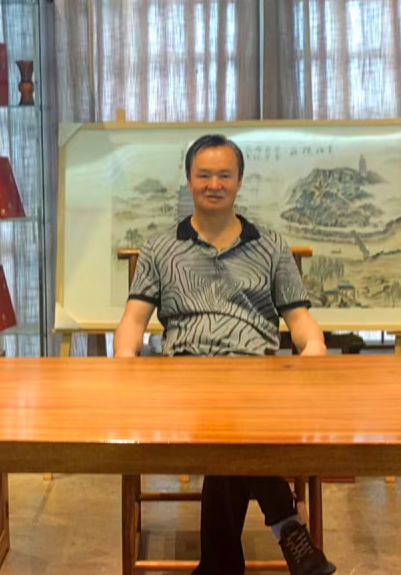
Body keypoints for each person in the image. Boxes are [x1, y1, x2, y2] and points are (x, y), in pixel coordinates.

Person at [113, 133, 335, 575]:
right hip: (185, 376)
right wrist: (124, 360)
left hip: (256, 374)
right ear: (189, 180)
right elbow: (133, 320)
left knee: (228, 431)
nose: (213, 184)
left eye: (224, 175)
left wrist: (314, 347)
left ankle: (220, 565)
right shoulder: (160, 248)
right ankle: (287, 524)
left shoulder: (271, 246)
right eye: (204, 175)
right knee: (231, 427)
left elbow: (298, 317)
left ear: (239, 181)